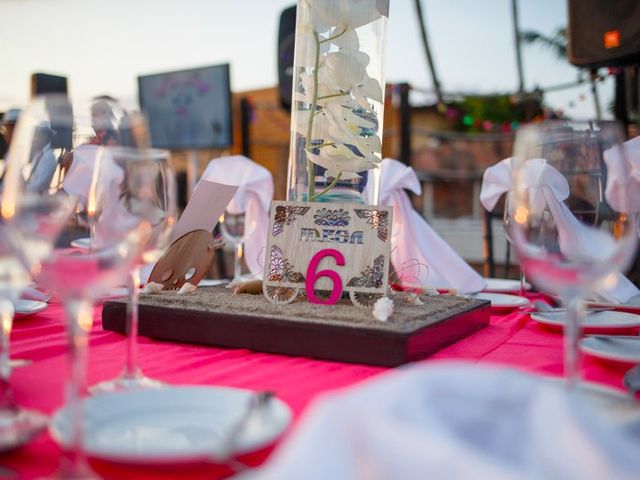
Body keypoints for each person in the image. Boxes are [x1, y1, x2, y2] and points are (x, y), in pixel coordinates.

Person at [26, 121, 58, 193]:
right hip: (31, 199)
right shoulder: (38, 155)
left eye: (38, 135)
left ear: (45, 136)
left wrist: (24, 190)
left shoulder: (49, 157)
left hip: (39, 201)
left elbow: (41, 185)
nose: (35, 138)